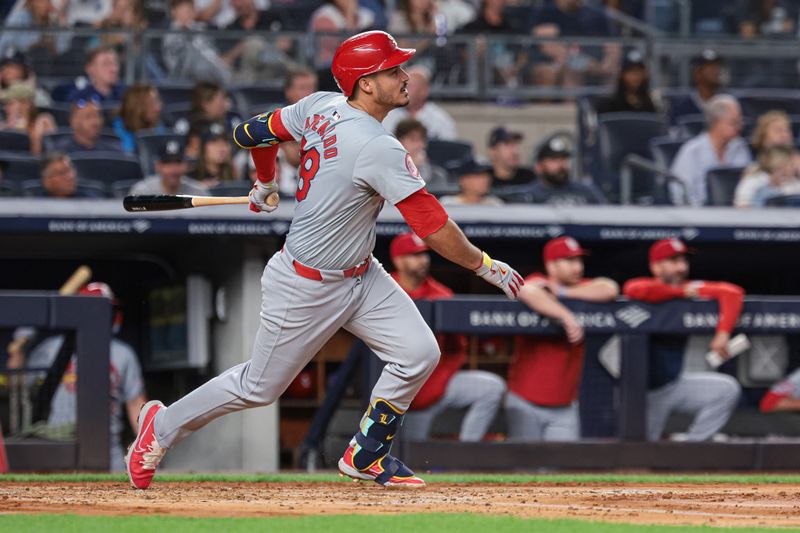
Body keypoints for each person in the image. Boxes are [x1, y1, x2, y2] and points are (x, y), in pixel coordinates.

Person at [124, 30, 523, 490]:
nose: (404, 75)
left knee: (417, 353)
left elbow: (249, 133)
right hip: (306, 283)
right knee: (258, 388)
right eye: (392, 70)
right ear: (366, 84)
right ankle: (161, 426)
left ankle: (366, 454)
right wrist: (485, 266)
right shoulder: (377, 146)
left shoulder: (319, 105)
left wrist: (264, 180)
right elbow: (432, 229)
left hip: (361, 272)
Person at [389, 233, 507, 442]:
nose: (423, 260)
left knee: (491, 387)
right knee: (404, 458)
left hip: (435, 384)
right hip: (395, 389)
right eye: (414, 255)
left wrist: (441, 377)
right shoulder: (384, 289)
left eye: (424, 255)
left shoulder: (441, 295)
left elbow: (458, 347)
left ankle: (465, 451)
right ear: (398, 260)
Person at [623, 238, 743, 442]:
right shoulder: (649, 287)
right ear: (656, 266)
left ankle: (691, 450)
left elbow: (732, 292)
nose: (681, 267)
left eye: (683, 261)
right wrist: (683, 292)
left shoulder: (690, 288)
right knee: (638, 454)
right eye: (673, 261)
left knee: (726, 389)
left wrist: (722, 334)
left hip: (672, 384)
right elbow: (633, 289)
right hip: (639, 393)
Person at [24, 282, 146, 471]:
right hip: (59, 443)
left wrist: (147, 448)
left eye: (105, 310)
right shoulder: (51, 349)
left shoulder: (123, 353)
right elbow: (21, 391)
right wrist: (19, 350)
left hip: (107, 448)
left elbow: (135, 403)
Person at [506, 236, 618, 441]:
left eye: (578, 260)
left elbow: (609, 288)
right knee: (524, 469)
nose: (577, 266)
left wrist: (562, 292)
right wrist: (566, 316)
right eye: (569, 261)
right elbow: (525, 289)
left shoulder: (580, 287)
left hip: (565, 405)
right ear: (551, 265)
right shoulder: (537, 281)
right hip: (524, 400)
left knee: (561, 471)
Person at [669, 94, 752, 206]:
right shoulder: (692, 152)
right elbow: (679, 192)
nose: (740, 127)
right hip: (700, 216)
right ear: (716, 123)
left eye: (740, 122)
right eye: (734, 123)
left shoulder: (740, 147)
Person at [501, 136, 606, 205]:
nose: (561, 165)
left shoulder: (587, 191)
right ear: (538, 167)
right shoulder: (529, 196)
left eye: (563, 159)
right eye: (553, 160)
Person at [735, 111, 798, 208]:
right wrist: (770, 187)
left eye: (787, 130)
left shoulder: (796, 177)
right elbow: (741, 213)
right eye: (778, 130)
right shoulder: (754, 178)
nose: (784, 135)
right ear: (764, 139)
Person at [382, 65, 457, 141]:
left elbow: (448, 151)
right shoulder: (386, 117)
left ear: (424, 91)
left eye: (408, 86)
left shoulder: (440, 121)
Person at [276, 68, 319, 196]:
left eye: (312, 87)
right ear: (289, 92)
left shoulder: (326, 116)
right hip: (285, 187)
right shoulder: (278, 117)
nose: (309, 93)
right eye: (302, 88)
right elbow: (294, 156)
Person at [50, 93, 123, 154]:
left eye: (97, 116)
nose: (95, 122)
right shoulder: (60, 153)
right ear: (73, 122)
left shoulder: (112, 152)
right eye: (88, 117)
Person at [128, 140, 208, 196]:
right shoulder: (142, 192)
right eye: (167, 163)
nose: (173, 169)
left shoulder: (198, 193)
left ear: (185, 165)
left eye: (178, 162)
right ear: (157, 166)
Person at [669, 49, 724, 126]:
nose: (716, 71)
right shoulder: (682, 107)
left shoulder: (729, 104)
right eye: (711, 67)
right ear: (697, 73)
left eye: (717, 66)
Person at [0, 81, 57, 155]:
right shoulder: (3, 126)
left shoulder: (43, 121)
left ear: (25, 104)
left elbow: (41, 155)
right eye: (5, 104)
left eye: (10, 104)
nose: (6, 108)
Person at [595, 49, 659, 115]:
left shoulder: (650, 105)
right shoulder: (610, 104)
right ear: (622, 74)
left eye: (639, 71)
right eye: (631, 71)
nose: (636, 75)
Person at [394, 118, 449, 192]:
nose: (419, 145)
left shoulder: (437, 175)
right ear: (399, 141)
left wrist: (419, 168)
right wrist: (411, 167)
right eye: (413, 140)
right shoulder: (389, 170)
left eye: (422, 140)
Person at [112, 83, 166, 153]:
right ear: (138, 107)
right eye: (152, 103)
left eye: (158, 101)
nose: (158, 107)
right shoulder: (118, 129)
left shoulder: (159, 126)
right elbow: (128, 154)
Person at [188, 122, 240, 186]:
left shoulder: (234, 175)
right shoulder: (190, 178)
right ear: (203, 147)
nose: (222, 148)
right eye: (214, 142)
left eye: (225, 142)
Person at [36, 151, 105, 198]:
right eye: (62, 173)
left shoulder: (90, 201)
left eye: (70, 170)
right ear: (47, 181)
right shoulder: (34, 206)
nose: (70, 176)